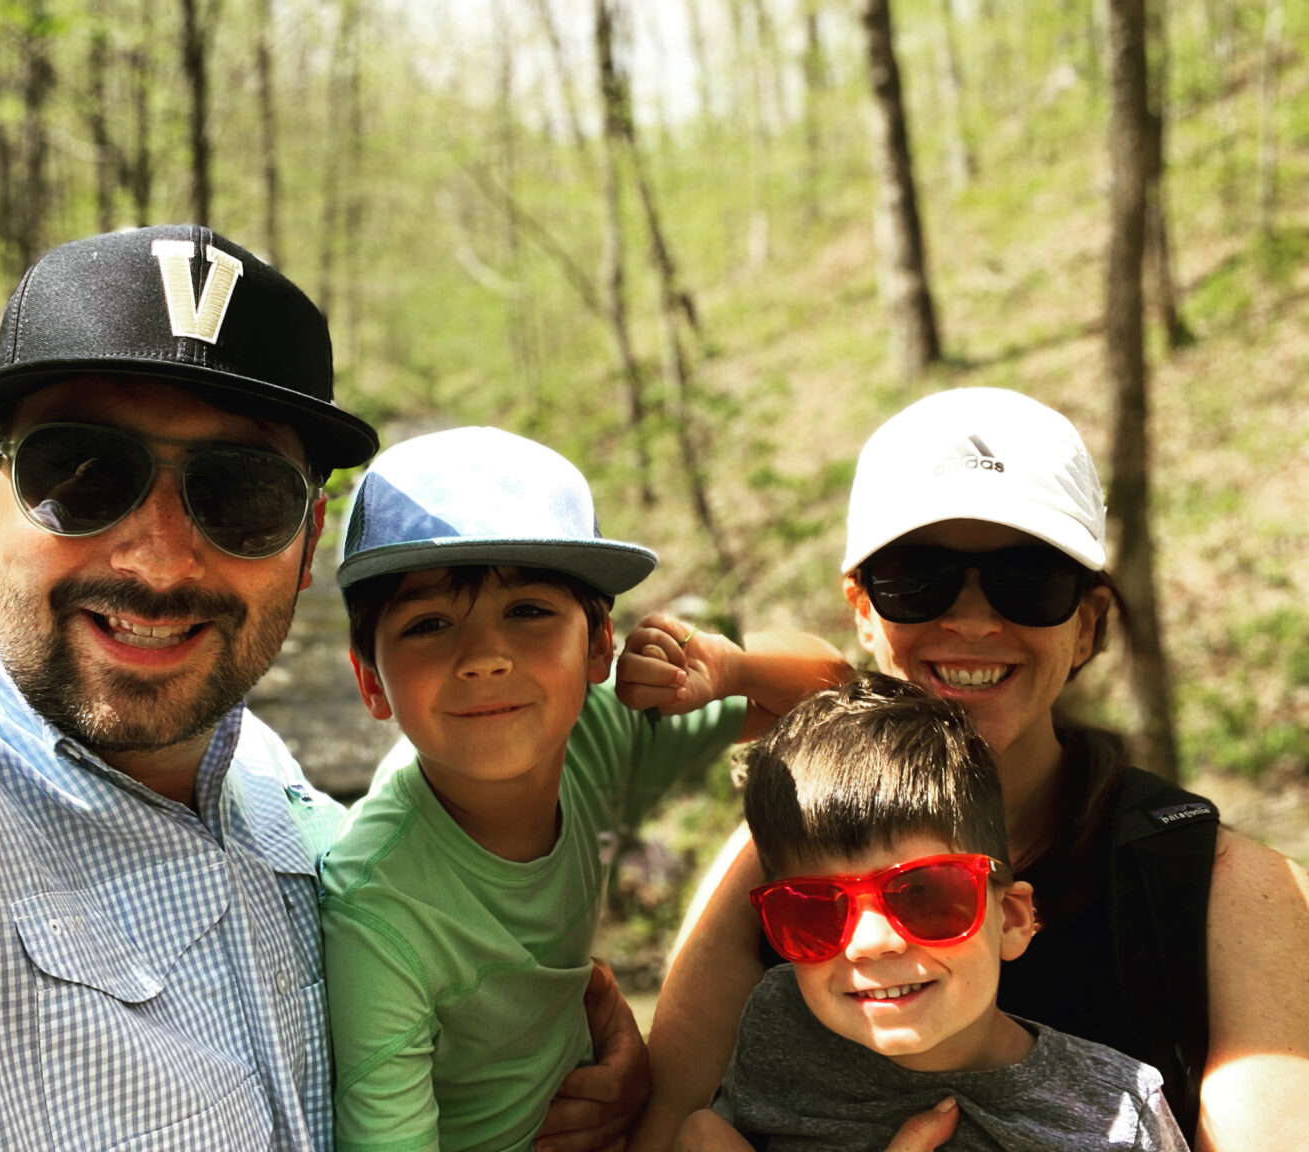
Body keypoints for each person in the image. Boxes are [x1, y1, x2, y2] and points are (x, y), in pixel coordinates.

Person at [0, 226, 640, 1152]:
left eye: (241, 495)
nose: (160, 559)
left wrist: (564, 1058)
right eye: (85, 476)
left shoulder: (266, 782)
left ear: (305, 546)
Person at [626, 387, 1309, 1152]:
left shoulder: (1224, 892)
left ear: (1087, 624)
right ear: (862, 611)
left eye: (1032, 582)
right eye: (918, 580)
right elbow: (662, 1125)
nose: (974, 621)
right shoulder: (778, 857)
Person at [321, 426, 852, 1152]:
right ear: (370, 683)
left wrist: (725, 669)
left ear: (600, 644)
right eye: (430, 624)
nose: (483, 658)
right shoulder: (378, 904)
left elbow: (831, 687)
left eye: (528, 611)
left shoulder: (600, 733)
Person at [676, 673, 1187, 1150]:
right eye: (812, 910)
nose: (870, 941)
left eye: (924, 895)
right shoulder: (777, 1025)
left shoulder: (1118, 1112)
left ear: (1010, 918)